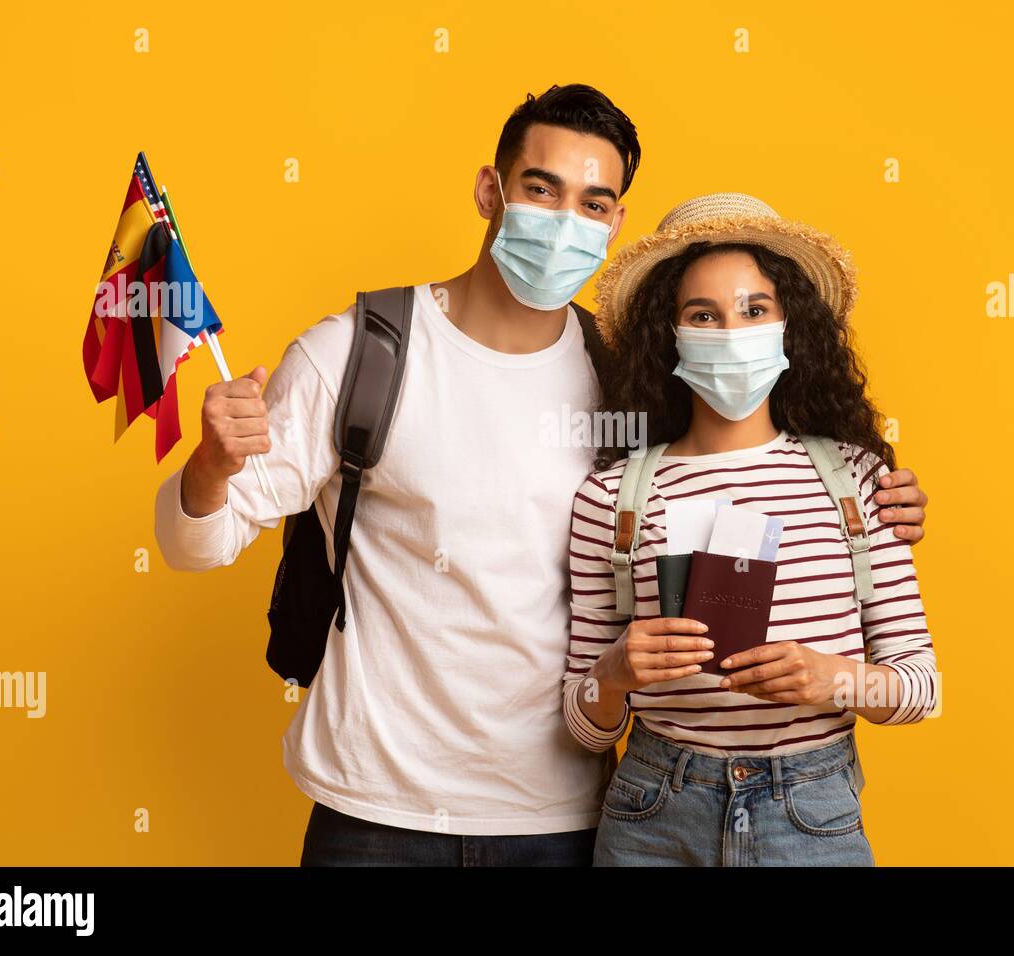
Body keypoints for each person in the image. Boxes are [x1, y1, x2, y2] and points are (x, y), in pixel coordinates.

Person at [154, 85, 931, 867]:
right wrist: (212, 466)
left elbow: (727, 471)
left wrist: (870, 501)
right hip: (375, 808)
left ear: (616, 221)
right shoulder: (358, 353)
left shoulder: (619, 379)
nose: (565, 222)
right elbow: (198, 545)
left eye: (594, 202)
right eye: (540, 190)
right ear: (491, 190)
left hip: (565, 815)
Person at [564, 193, 937, 866]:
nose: (731, 332)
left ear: (789, 327)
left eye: (754, 310)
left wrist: (834, 680)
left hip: (812, 809)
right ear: (669, 335)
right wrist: (615, 674)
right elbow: (584, 723)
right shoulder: (610, 499)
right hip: (653, 811)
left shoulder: (855, 482)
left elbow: (920, 687)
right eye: (702, 315)